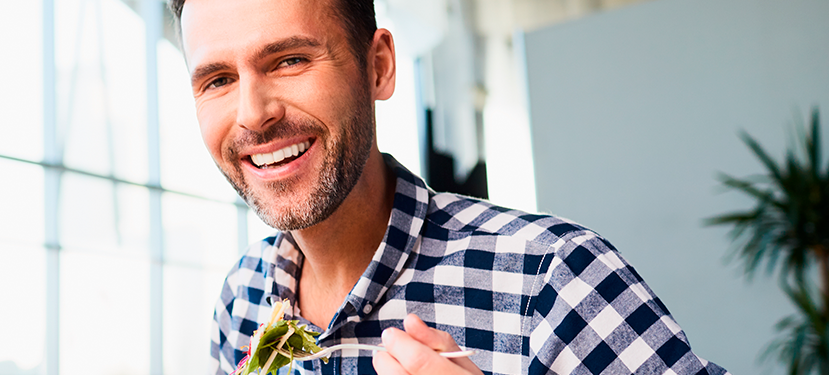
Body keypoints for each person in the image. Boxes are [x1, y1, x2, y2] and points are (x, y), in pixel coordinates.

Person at [170, 0, 729, 374]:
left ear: (379, 67)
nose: (252, 115)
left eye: (290, 60)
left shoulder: (554, 280)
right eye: (218, 80)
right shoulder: (240, 299)